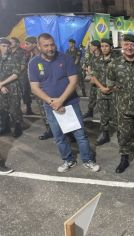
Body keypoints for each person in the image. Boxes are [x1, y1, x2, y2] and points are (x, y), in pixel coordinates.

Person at [28, 33, 100, 173]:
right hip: (50, 106)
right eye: (46, 45)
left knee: (80, 134)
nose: (50, 48)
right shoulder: (33, 63)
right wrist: (51, 102)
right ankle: (68, 160)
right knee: (59, 136)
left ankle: (87, 160)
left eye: (52, 44)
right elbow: (34, 88)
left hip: (70, 103)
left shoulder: (65, 58)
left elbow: (73, 81)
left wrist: (60, 100)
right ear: (39, 46)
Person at [106, 34, 134, 173]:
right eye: (126, 44)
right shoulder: (114, 64)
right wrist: (122, 93)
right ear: (122, 46)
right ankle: (124, 159)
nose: (129, 47)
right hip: (123, 108)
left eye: (132, 45)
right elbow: (110, 83)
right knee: (124, 136)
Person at [87, 38, 117, 146]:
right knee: (103, 114)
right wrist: (102, 87)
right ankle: (105, 134)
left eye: (106, 46)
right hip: (101, 91)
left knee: (116, 114)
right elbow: (93, 76)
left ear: (111, 47)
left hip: (115, 92)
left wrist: (111, 88)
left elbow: (121, 77)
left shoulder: (117, 60)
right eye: (102, 46)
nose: (104, 48)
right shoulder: (97, 60)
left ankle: (121, 134)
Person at [25, 36, 53, 140]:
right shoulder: (32, 57)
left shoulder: (45, 56)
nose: (26, 46)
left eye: (27, 43)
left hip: (49, 88)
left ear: (34, 44)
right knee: (43, 111)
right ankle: (50, 129)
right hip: (38, 89)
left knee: (56, 109)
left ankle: (67, 132)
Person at [0, 37, 23, 137]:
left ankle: (18, 128)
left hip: (12, 87)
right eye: (3, 46)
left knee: (14, 108)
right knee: (3, 108)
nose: (6, 48)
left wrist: (2, 84)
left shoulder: (14, 57)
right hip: (1, 87)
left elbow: (16, 74)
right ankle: (6, 127)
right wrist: (1, 86)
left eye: (7, 46)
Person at [9, 37, 33, 115]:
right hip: (11, 77)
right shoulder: (8, 52)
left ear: (17, 43)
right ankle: (17, 110)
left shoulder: (23, 52)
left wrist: (15, 73)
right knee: (14, 94)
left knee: (25, 92)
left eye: (12, 42)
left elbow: (23, 65)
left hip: (22, 76)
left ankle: (28, 109)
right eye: (10, 42)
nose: (10, 43)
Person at [82, 40, 101, 120]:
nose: (90, 47)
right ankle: (90, 113)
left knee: (102, 100)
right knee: (92, 98)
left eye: (92, 46)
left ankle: (106, 117)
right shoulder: (92, 56)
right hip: (93, 82)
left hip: (101, 82)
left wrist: (92, 72)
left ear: (96, 47)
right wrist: (86, 69)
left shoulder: (102, 57)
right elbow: (89, 66)